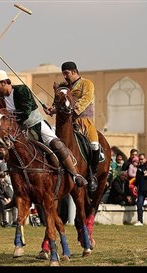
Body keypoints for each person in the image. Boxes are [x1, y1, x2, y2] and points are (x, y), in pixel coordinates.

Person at [0, 70, 86, 189]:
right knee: (12, 157)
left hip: (36, 125)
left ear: (5, 82)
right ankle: (17, 190)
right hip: (18, 132)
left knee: (57, 144)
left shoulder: (22, 90)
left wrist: (8, 114)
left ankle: (75, 175)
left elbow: (26, 111)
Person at [49, 62, 99, 191]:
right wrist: (53, 110)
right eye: (63, 74)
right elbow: (61, 103)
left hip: (84, 122)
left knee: (94, 144)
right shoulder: (65, 87)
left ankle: (92, 174)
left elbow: (85, 99)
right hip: (67, 123)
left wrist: (73, 109)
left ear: (74, 71)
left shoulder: (87, 83)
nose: (65, 76)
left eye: (66, 73)